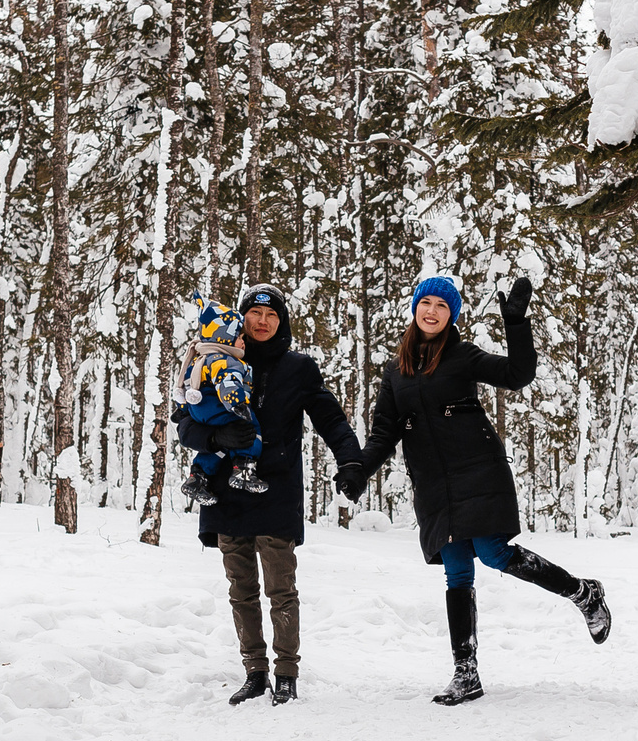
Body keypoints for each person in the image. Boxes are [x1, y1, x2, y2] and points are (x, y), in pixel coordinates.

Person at [336, 274, 610, 706]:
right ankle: (466, 674)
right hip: (432, 483)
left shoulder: (462, 356)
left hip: (476, 471)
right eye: (425, 303)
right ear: (415, 309)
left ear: (451, 316)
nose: (431, 311)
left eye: (441, 306)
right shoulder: (396, 371)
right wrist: (357, 471)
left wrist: (517, 325)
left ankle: (582, 592)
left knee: (493, 552)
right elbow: (384, 433)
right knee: (456, 570)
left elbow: (518, 374)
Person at [177, 284, 364, 707]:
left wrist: (351, 462)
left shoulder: (298, 368)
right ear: (241, 319)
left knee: (282, 590)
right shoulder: (211, 358)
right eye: (254, 313)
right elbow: (184, 424)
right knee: (240, 590)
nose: (262, 321)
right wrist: (215, 434)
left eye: (271, 315)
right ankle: (254, 672)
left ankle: (286, 675)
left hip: (275, 491)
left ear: (282, 322)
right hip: (226, 492)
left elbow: (331, 419)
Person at [175, 301, 267, 505]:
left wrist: (182, 409)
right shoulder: (225, 360)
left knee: (222, 445)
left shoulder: (200, 357)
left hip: (199, 408)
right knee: (249, 428)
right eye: (240, 338)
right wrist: (237, 403)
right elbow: (228, 382)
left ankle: (197, 477)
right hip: (218, 405)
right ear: (225, 339)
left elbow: (185, 384)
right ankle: (244, 467)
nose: (243, 342)